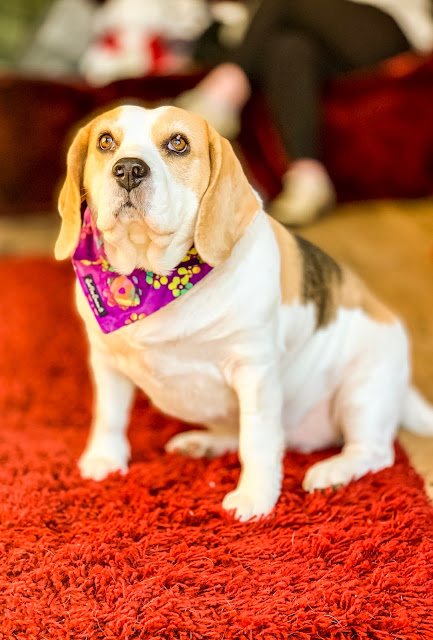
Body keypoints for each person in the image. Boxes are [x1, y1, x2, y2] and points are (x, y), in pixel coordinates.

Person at [176, 0, 433, 225]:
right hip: (328, 37)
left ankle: (222, 93)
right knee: (289, 48)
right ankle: (308, 175)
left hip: (394, 27)